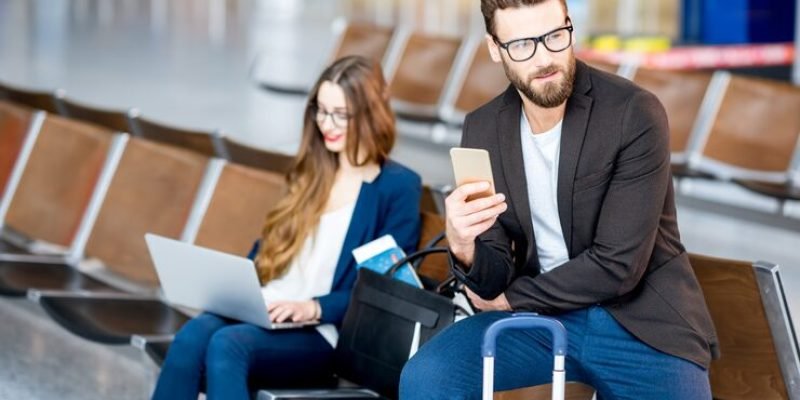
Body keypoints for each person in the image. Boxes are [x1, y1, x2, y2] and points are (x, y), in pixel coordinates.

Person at [399, 0, 717, 399]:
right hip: (537, 322)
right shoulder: (482, 128)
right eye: (521, 45)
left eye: (553, 36)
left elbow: (618, 265)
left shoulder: (633, 113)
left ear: (570, 27)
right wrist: (463, 246)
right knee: (427, 377)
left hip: (639, 325)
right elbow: (492, 273)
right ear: (495, 48)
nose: (544, 57)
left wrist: (511, 299)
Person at [152, 56, 422, 400]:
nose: (327, 124)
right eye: (321, 111)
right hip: (270, 307)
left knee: (228, 343)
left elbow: (386, 288)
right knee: (192, 336)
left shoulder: (396, 187)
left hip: (325, 331)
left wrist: (314, 307)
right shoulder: (313, 170)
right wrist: (237, 286)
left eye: (341, 114)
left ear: (371, 114)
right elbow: (268, 247)